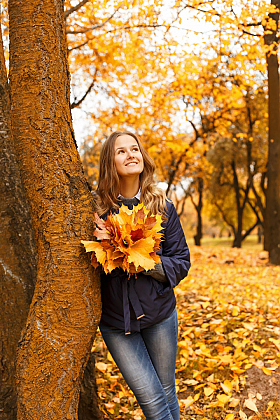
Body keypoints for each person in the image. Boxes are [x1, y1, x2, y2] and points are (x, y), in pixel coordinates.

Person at [93, 130, 191, 420]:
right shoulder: (96, 209)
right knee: (152, 399)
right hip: (116, 322)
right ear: (109, 162)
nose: (130, 154)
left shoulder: (162, 208)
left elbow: (182, 261)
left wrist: (146, 263)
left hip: (160, 315)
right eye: (121, 151)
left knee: (166, 391)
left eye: (134, 149)